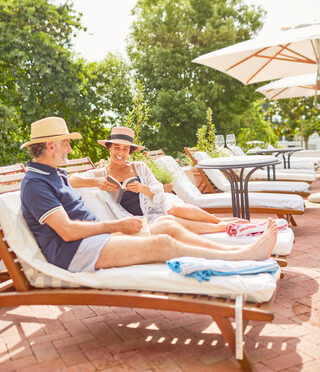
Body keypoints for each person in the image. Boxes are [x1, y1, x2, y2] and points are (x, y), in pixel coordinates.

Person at [20, 116, 277, 273]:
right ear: (51, 145)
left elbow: (77, 181)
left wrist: (101, 191)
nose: (70, 146)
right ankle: (241, 258)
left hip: (95, 238)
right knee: (162, 244)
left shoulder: (55, 174)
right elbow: (66, 231)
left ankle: (235, 251)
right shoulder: (35, 184)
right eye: (66, 141)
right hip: (75, 252)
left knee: (168, 225)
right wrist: (117, 224)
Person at [68, 126, 247, 234]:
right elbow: (72, 179)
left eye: (125, 149)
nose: (120, 153)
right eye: (117, 148)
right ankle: (222, 227)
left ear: (129, 151)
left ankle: (218, 221)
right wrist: (96, 183)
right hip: (142, 216)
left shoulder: (139, 167)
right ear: (109, 148)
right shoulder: (101, 173)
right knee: (171, 221)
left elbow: (158, 188)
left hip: (159, 201)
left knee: (176, 208)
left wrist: (142, 188)